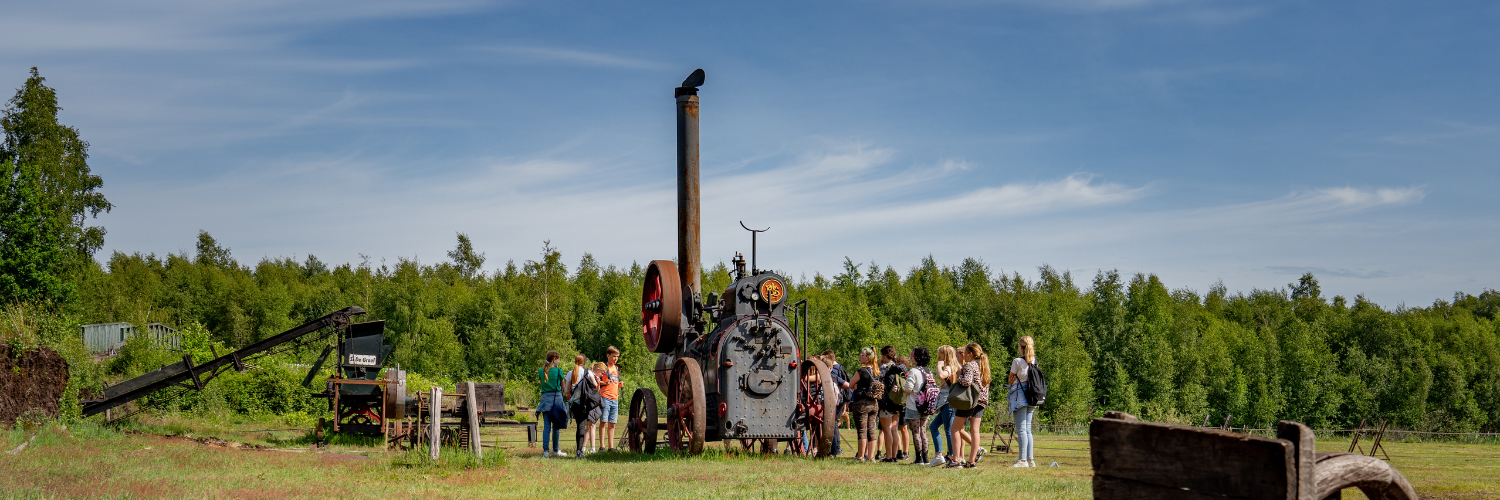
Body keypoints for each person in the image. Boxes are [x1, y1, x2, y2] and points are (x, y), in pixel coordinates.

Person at [947, 342, 990, 469]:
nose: (964, 355)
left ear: (970, 354)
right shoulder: (983, 366)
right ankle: (971, 461)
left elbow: (967, 381)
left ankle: (956, 460)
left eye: (965, 353)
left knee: (955, 429)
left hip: (969, 401)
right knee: (975, 430)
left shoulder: (969, 365)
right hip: (981, 401)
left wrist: (959, 375)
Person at [1009, 336, 1038, 467]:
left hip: (1020, 394)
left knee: (1021, 430)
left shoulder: (1017, 361)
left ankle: (1022, 460)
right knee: (1028, 429)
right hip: (1032, 395)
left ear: (1021, 348)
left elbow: (1011, 379)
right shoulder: (1034, 361)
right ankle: (1030, 460)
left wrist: (1012, 379)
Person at [848, 347, 881, 462]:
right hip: (874, 403)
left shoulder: (861, 371)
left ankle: (861, 456)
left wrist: (854, 385)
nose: (860, 357)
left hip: (861, 403)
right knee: (871, 430)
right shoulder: (876, 371)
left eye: (862, 355)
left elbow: (850, 384)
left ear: (867, 357)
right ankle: (871, 457)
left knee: (862, 430)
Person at [928, 345, 959, 467]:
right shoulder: (955, 366)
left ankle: (952, 457)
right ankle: (939, 455)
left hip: (948, 402)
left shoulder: (949, 367)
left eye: (940, 355)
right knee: (933, 427)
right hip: (946, 402)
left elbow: (941, 376)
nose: (938, 357)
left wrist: (939, 366)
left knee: (949, 430)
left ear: (945, 356)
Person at [904, 347, 934, 465]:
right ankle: (926, 458)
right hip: (926, 405)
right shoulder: (928, 372)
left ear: (917, 358)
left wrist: (906, 394)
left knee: (916, 432)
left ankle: (919, 458)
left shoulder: (913, 371)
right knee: (923, 432)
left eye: (912, 356)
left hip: (914, 405)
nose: (911, 358)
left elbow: (908, 388)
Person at [877, 346, 908, 462]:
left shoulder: (885, 367)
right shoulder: (899, 367)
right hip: (898, 401)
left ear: (885, 355)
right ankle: (894, 456)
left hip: (887, 401)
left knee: (886, 429)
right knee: (894, 430)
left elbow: (878, 380)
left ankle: (889, 457)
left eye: (882, 355)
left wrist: (878, 365)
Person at [536, 350, 565, 457]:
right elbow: (563, 387)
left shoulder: (541, 371)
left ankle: (546, 451)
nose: (559, 361)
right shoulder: (559, 371)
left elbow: (542, 384)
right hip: (556, 400)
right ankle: (556, 450)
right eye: (558, 359)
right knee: (556, 427)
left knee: (546, 426)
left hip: (545, 400)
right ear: (554, 359)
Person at [565, 355, 596, 456]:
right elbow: (595, 386)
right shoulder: (588, 372)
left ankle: (578, 450)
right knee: (581, 426)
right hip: (585, 403)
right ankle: (579, 451)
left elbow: (566, 391)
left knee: (579, 425)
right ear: (585, 362)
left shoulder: (570, 373)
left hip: (574, 403)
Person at [823, 349, 851, 457]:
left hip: (828, 403)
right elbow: (847, 385)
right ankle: (835, 450)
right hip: (836, 402)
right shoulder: (839, 370)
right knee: (834, 425)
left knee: (832, 425)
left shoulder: (831, 373)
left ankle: (833, 449)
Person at [600, 346, 623, 451]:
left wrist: (619, 384)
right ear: (608, 355)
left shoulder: (616, 368)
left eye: (617, 357)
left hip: (615, 398)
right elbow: (596, 381)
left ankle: (611, 447)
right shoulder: (604, 367)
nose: (616, 359)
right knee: (603, 422)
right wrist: (605, 383)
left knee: (612, 423)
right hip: (605, 397)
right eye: (614, 356)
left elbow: (614, 381)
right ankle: (602, 446)